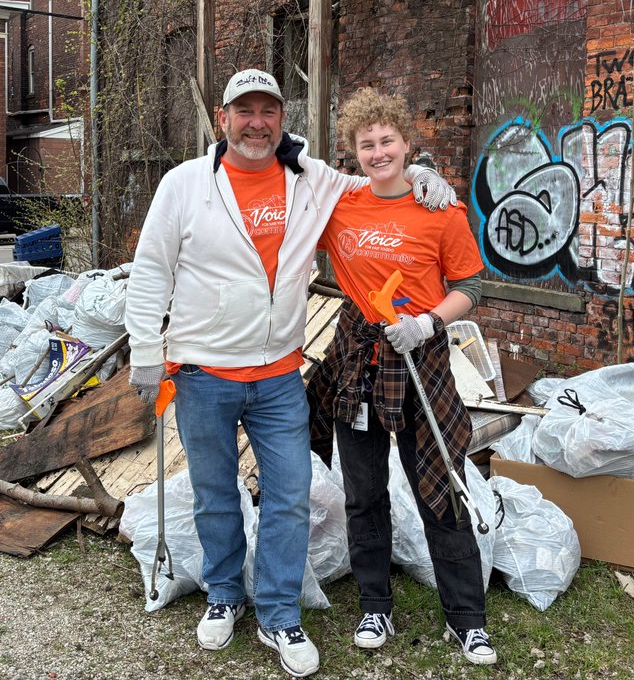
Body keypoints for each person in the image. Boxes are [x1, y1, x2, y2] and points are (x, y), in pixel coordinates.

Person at [123, 69, 456, 678]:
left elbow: (374, 181)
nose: (257, 123)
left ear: (282, 119)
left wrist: (422, 175)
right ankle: (225, 595)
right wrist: (146, 351)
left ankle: (278, 612)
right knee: (216, 492)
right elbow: (150, 272)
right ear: (222, 120)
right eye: (243, 111)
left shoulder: (310, 180)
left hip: (279, 377)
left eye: (268, 111)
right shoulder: (184, 185)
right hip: (202, 372)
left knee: (288, 495)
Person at [306, 87, 498, 666]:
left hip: (420, 357)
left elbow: (471, 287)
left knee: (439, 488)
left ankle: (467, 620)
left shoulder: (440, 210)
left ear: (406, 143)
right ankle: (375, 606)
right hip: (358, 359)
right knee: (364, 495)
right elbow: (291, 180)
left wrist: (428, 322)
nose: (378, 151)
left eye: (388, 141)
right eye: (367, 144)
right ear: (354, 153)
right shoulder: (340, 206)